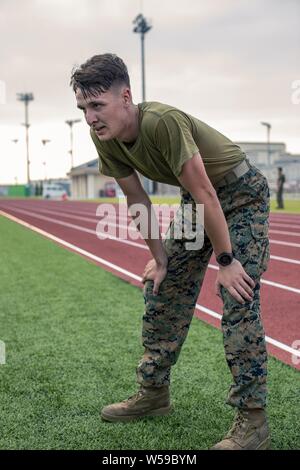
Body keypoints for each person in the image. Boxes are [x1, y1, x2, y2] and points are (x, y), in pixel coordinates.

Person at [70, 54, 271, 450]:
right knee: (163, 287)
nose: (90, 117)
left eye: (97, 106)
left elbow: (206, 192)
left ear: (125, 97)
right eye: (83, 109)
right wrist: (160, 258)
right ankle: (153, 393)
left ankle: (253, 422)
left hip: (240, 194)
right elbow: (137, 200)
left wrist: (226, 261)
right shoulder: (104, 137)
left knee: (238, 295)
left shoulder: (162, 122)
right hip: (200, 203)